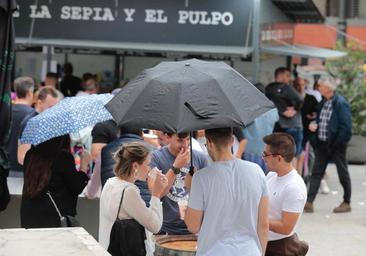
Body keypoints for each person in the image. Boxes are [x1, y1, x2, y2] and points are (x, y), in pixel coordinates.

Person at [185, 127, 269, 256]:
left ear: (210, 142)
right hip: (249, 251)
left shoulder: (201, 177)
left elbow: (192, 226)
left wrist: (191, 188)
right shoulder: (257, 171)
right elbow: (263, 225)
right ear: (231, 140)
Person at [98, 142, 168, 256]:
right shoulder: (129, 191)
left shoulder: (110, 183)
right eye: (147, 164)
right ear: (135, 166)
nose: (149, 169)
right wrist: (156, 193)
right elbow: (155, 226)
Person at [304, 75, 352, 213]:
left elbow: (346, 128)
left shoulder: (340, 103)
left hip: (336, 145)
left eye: (320, 86)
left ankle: (347, 202)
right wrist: (314, 125)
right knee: (316, 173)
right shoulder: (324, 102)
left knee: (342, 172)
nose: (318, 88)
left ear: (327, 88)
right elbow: (322, 121)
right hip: (322, 144)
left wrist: (337, 144)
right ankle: (309, 202)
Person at [20, 135, 90, 228]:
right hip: (54, 215)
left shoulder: (30, 155)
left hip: (28, 213)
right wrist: (84, 165)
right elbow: (76, 186)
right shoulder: (63, 157)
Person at [150, 132, 208, 235]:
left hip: (195, 229)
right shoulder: (156, 157)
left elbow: (207, 196)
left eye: (187, 140)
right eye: (180, 140)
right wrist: (175, 167)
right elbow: (156, 194)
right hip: (165, 229)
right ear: (168, 137)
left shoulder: (200, 158)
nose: (185, 145)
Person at [262, 133, 308, 256]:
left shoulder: (294, 186)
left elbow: (285, 227)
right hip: (265, 242)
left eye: (266, 154)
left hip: (280, 247)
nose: (263, 158)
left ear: (278, 158)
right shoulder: (271, 175)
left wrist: (257, 218)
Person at [17, 87, 59, 167]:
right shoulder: (30, 123)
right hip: (26, 175)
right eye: (50, 107)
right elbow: (22, 157)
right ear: (39, 103)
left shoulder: (46, 121)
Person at [5, 77, 36, 177]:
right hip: (23, 168)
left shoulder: (5, 111)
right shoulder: (33, 115)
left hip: (4, 165)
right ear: (30, 93)